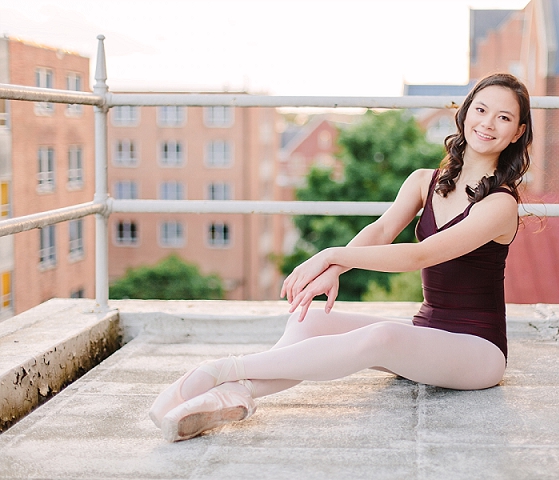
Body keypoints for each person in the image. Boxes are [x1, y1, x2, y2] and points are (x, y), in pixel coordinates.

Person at [149, 72, 533, 442]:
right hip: (427, 331)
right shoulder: (424, 180)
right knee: (312, 322)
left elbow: (421, 254)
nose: (488, 123)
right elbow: (381, 232)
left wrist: (330, 254)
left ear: (517, 132)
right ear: (465, 113)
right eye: (481, 110)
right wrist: (337, 267)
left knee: (381, 336)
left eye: (504, 117)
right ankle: (232, 396)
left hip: (478, 350)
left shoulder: (501, 204)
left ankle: (221, 372)